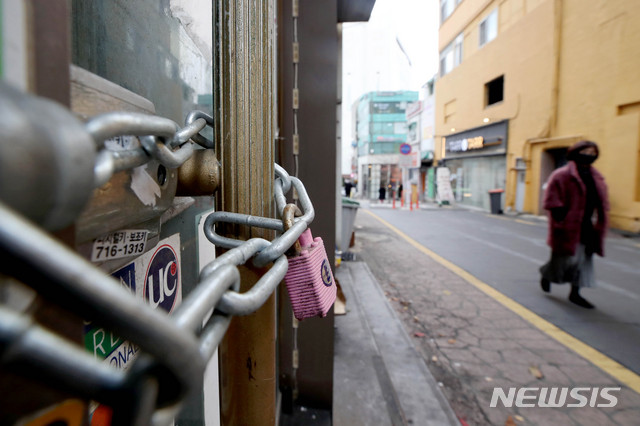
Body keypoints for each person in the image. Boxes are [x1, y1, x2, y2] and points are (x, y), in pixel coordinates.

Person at [539, 140, 609, 309]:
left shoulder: (597, 177)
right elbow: (551, 201)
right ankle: (547, 275)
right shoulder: (561, 175)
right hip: (567, 226)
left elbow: (602, 202)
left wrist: (599, 221)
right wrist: (561, 221)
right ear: (575, 152)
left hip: (588, 226)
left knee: (583, 261)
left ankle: (575, 293)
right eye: (586, 151)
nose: (589, 155)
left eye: (593, 153)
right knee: (564, 260)